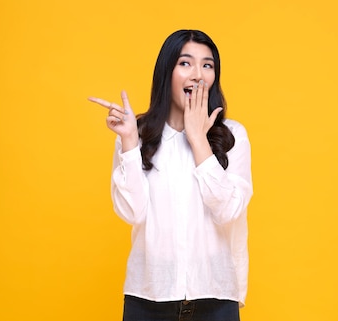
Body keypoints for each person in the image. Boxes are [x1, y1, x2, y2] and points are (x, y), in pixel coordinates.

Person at [88, 29, 253, 321]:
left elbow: (229, 211)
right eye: (185, 63)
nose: (198, 74)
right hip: (149, 299)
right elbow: (133, 213)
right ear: (168, 72)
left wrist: (198, 139)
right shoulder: (137, 135)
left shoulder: (233, 136)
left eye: (207, 65)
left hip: (214, 298)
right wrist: (128, 142)